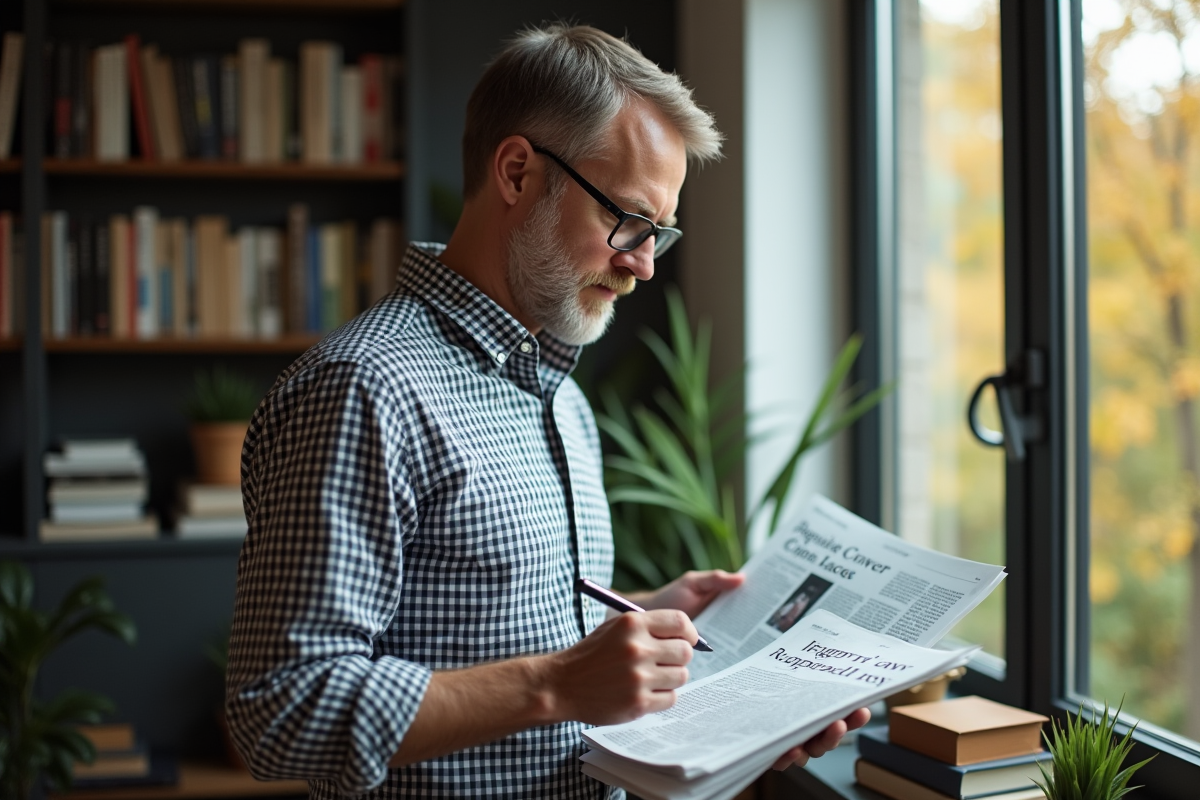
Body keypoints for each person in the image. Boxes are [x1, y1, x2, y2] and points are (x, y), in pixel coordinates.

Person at [225, 23, 869, 799]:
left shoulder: (561, 395)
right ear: (518, 172)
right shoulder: (363, 390)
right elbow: (280, 711)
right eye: (627, 220)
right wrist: (558, 682)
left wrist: (647, 625)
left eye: (659, 232)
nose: (643, 264)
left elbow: (490, 633)